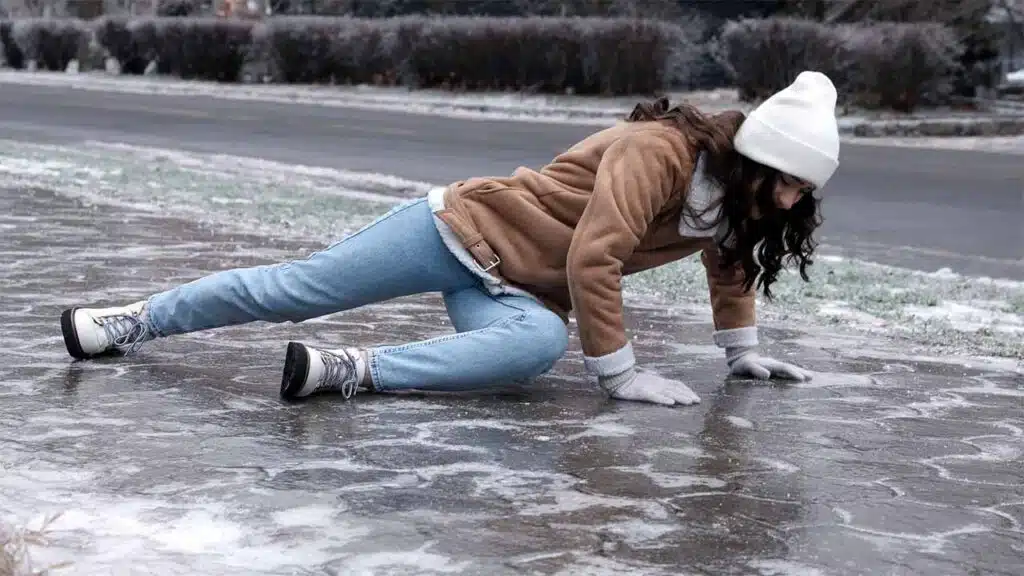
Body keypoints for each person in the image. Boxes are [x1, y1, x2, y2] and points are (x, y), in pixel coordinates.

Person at [60, 70, 839, 407]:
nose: (795, 198)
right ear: (752, 159)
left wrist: (741, 353)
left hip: (517, 290)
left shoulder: (736, 200)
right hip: (457, 229)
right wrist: (621, 375)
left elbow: (731, 258)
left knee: (533, 349)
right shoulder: (659, 153)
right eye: (790, 181)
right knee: (295, 291)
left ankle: (348, 371)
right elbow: (595, 255)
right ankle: (131, 321)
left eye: (806, 189)